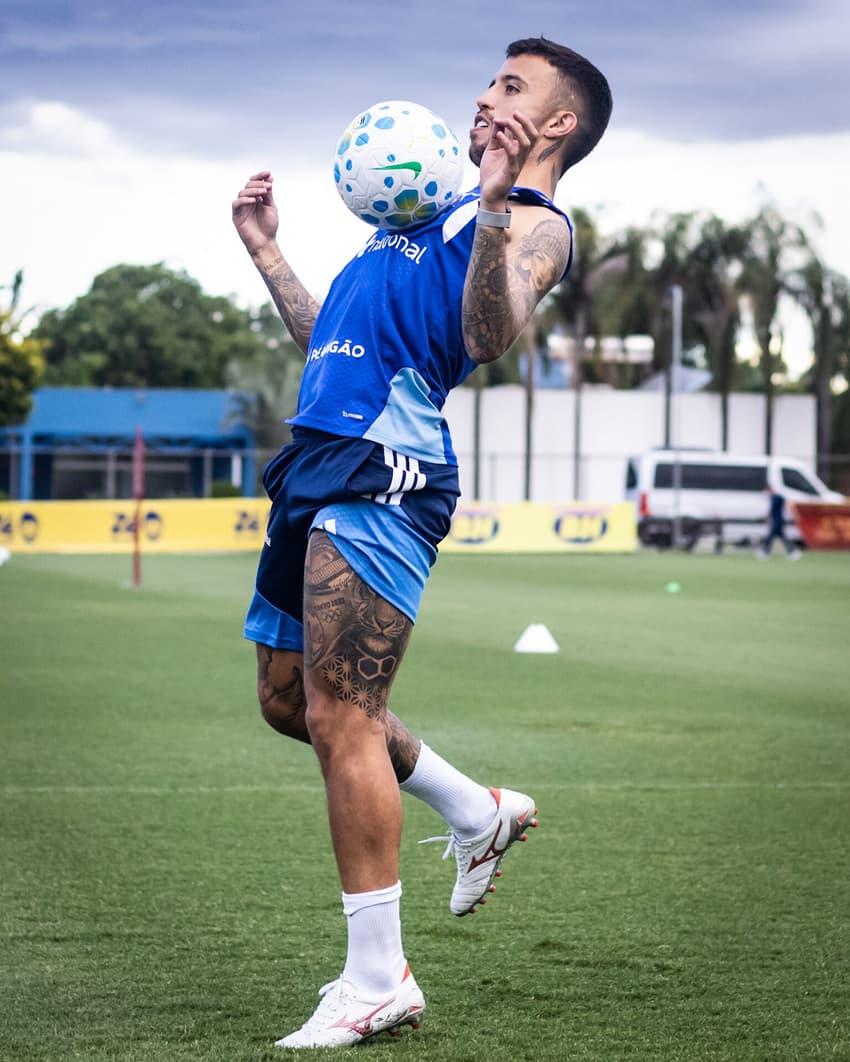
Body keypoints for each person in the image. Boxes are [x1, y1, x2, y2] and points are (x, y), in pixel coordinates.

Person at [231, 36, 612, 1049]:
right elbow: (338, 343)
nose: (487, 97)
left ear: (559, 124)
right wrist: (270, 253)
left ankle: (376, 979)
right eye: (490, 80)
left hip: (386, 472)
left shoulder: (530, 224)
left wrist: (490, 206)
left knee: (341, 713)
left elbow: (489, 335)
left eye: (513, 87)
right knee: (287, 701)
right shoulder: (413, 209)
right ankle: (473, 808)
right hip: (318, 455)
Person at [758, 485, 801, 559]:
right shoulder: (772, 498)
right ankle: (792, 551)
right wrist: (767, 516)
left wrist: (794, 514)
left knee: (771, 536)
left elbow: (788, 504)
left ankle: (765, 552)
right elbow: (772, 510)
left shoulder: (778, 497)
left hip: (779, 520)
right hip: (775, 520)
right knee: (781, 537)